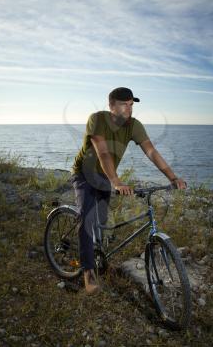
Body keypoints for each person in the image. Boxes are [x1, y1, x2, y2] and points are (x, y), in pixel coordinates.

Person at [71, 87, 186, 295]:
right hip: (85, 175)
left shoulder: (134, 125)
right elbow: (103, 152)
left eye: (132, 104)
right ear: (112, 106)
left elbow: (151, 151)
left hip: (106, 176)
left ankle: (98, 255)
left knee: (102, 222)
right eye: (125, 104)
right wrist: (116, 181)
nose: (129, 108)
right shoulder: (96, 119)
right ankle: (88, 271)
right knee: (87, 220)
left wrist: (172, 177)